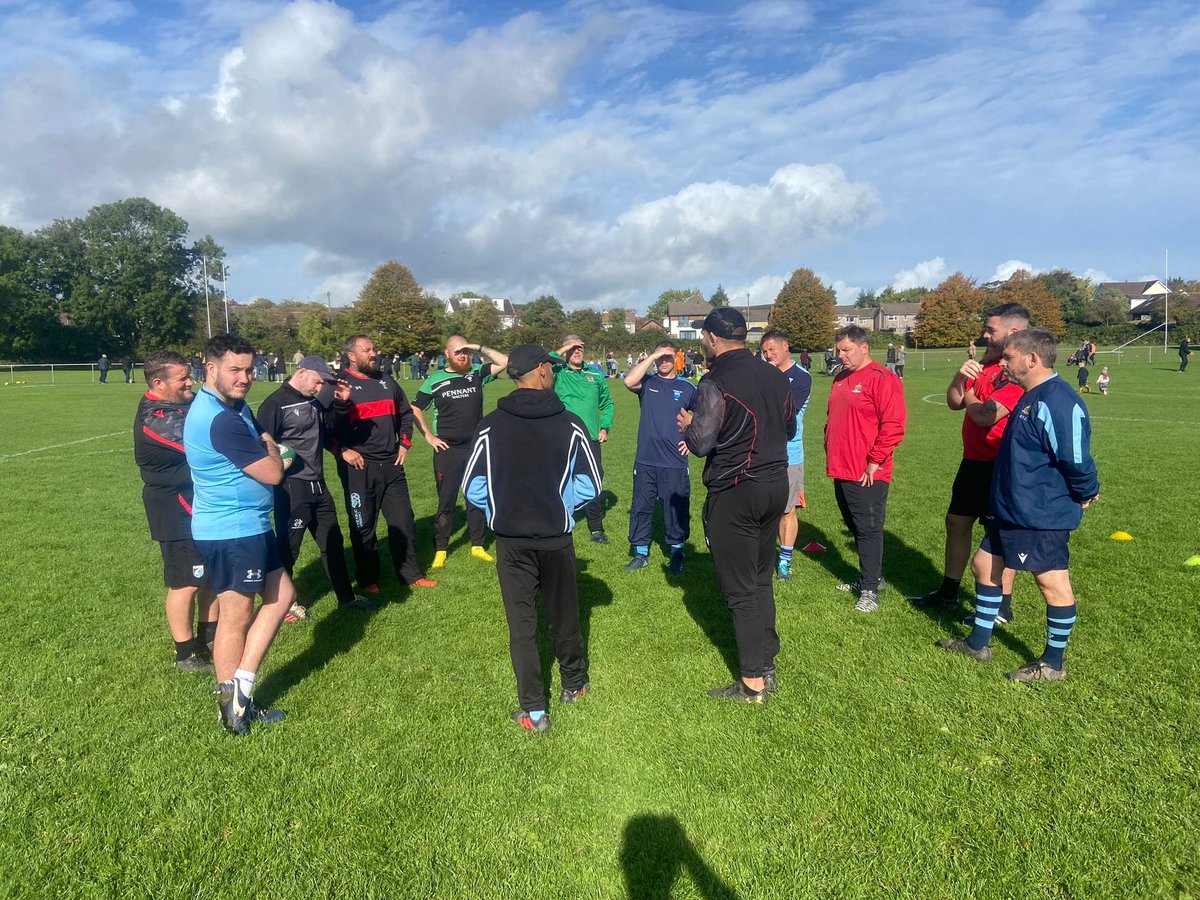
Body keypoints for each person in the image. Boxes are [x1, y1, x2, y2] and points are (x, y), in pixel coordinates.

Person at [938, 329, 1099, 682]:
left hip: (1039, 511)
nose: (1004, 363)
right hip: (1011, 506)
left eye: (1009, 358)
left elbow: (1075, 457)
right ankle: (979, 643)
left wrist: (1087, 490)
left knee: (1052, 583)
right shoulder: (1030, 396)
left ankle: (1053, 664)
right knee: (984, 564)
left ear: (1032, 359)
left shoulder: (1057, 401)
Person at [463, 345, 602, 733]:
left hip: (511, 541)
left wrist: (501, 512)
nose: (556, 374)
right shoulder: (571, 423)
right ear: (541, 372)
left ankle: (534, 711)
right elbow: (592, 483)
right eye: (552, 368)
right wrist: (561, 506)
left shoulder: (490, 425)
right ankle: (574, 684)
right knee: (565, 615)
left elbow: (473, 487)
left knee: (521, 626)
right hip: (556, 537)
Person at [678, 307, 794, 704]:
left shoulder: (715, 381)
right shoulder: (775, 376)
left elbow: (700, 443)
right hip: (775, 485)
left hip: (737, 488)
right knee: (761, 577)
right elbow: (790, 426)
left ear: (711, 338)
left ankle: (752, 684)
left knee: (741, 590)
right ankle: (766, 663)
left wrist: (686, 425)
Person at [183, 333, 292, 735]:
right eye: (235, 370)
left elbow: (266, 444)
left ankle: (241, 692)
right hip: (230, 531)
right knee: (236, 615)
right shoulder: (221, 419)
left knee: (282, 596)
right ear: (210, 369)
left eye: (250, 369)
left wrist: (267, 444)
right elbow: (274, 471)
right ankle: (232, 707)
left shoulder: (236, 405)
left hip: (251, 525)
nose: (245, 377)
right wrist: (272, 448)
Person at [909, 303, 1028, 618]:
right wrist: (959, 377)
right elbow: (954, 402)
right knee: (956, 522)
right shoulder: (988, 363)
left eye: (991, 330)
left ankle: (1003, 606)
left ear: (1013, 332)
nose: (985, 335)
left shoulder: (1018, 369)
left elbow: (985, 415)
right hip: (973, 460)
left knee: (999, 533)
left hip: (1003, 465)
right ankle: (948, 593)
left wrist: (971, 396)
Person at [255, 356, 375, 619]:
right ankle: (282, 605)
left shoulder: (314, 401)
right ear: (302, 371)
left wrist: (341, 403)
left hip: (318, 485)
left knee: (332, 542)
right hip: (291, 489)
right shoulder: (275, 404)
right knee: (288, 548)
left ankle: (346, 598)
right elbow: (261, 446)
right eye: (318, 380)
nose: (320, 386)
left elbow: (331, 429)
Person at [331, 334, 436, 595]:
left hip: (392, 465)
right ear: (352, 356)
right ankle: (368, 578)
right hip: (359, 469)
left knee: (403, 521)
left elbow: (405, 413)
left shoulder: (387, 381)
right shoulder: (339, 385)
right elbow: (325, 427)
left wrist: (404, 443)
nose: (374, 353)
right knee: (363, 525)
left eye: (374, 349)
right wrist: (342, 450)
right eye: (367, 350)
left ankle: (410, 574)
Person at [134, 350, 218, 672]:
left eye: (190, 374)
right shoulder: (156, 417)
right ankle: (185, 654)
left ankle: (209, 640)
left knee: (209, 573)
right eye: (183, 378)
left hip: (199, 503)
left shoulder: (182, 402)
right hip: (174, 507)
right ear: (158, 383)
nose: (190, 382)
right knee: (186, 581)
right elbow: (207, 440)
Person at [825, 325, 907, 612]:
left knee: (869, 529)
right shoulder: (841, 378)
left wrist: (875, 460)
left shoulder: (882, 378)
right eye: (838, 350)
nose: (841, 355)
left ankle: (870, 590)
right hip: (841, 466)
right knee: (855, 526)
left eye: (846, 350)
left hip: (868, 470)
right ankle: (872, 577)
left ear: (864, 347)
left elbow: (894, 425)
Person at [411, 336, 509, 569]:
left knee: (476, 496)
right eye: (458, 352)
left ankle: (477, 544)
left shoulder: (476, 373)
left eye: (466, 352)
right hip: (448, 450)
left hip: (476, 448)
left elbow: (505, 361)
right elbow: (414, 407)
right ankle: (442, 548)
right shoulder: (435, 380)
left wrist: (479, 346)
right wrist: (428, 436)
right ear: (447, 354)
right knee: (446, 500)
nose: (463, 355)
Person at [621, 340, 697, 575]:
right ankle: (641, 553)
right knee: (641, 507)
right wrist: (653, 356)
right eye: (661, 357)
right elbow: (628, 381)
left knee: (675, 507)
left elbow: (705, 417)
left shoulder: (687, 388)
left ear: (676, 358)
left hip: (674, 461)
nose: (664, 361)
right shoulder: (647, 382)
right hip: (645, 460)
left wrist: (692, 440)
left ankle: (676, 551)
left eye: (668, 356)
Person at [550, 335, 614, 543]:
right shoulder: (557, 373)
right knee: (560, 480)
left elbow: (608, 404)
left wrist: (604, 427)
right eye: (573, 348)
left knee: (593, 482)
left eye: (581, 348)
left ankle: (596, 528)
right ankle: (560, 521)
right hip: (562, 438)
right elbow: (542, 361)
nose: (578, 351)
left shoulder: (594, 375)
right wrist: (564, 347)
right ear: (566, 349)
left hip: (590, 440)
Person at [760, 330, 812, 581]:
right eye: (764, 351)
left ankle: (784, 561)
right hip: (760, 453)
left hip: (789, 454)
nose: (768, 355)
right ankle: (763, 556)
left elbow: (783, 415)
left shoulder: (801, 378)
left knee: (786, 509)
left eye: (772, 349)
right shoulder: (761, 375)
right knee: (761, 507)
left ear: (785, 346)